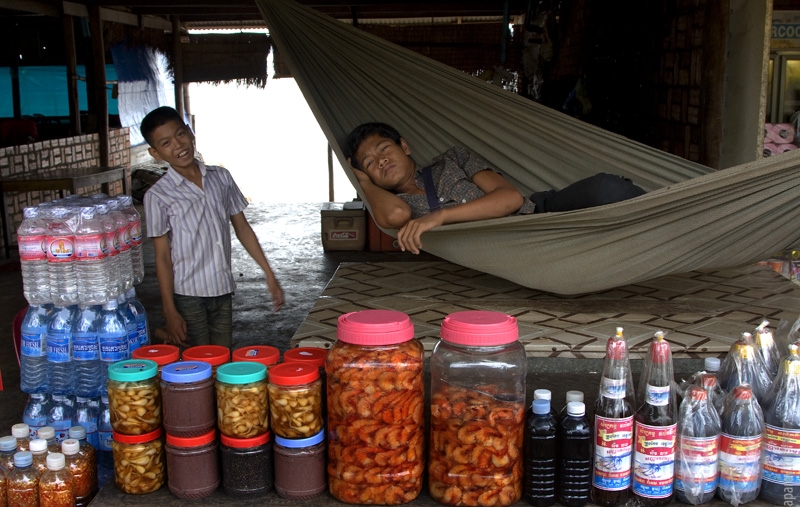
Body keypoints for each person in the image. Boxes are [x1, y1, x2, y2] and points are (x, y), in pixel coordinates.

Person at [344, 122, 645, 254]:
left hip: (542, 216)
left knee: (605, 188)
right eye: (369, 163)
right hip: (508, 252)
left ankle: (669, 219)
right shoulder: (398, 207)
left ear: (405, 146)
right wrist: (364, 182)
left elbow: (511, 198)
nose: (381, 161)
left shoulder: (452, 159)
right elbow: (395, 214)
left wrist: (439, 217)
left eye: (384, 148)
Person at [142, 106, 284, 348]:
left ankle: (168, 337)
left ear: (190, 131)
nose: (178, 145)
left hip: (222, 288)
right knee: (199, 362)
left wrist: (269, 274)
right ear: (156, 153)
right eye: (166, 143)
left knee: (221, 356)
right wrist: (169, 310)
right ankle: (167, 333)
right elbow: (163, 257)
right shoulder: (158, 196)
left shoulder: (221, 178)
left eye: (180, 134)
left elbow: (243, 229)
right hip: (188, 292)